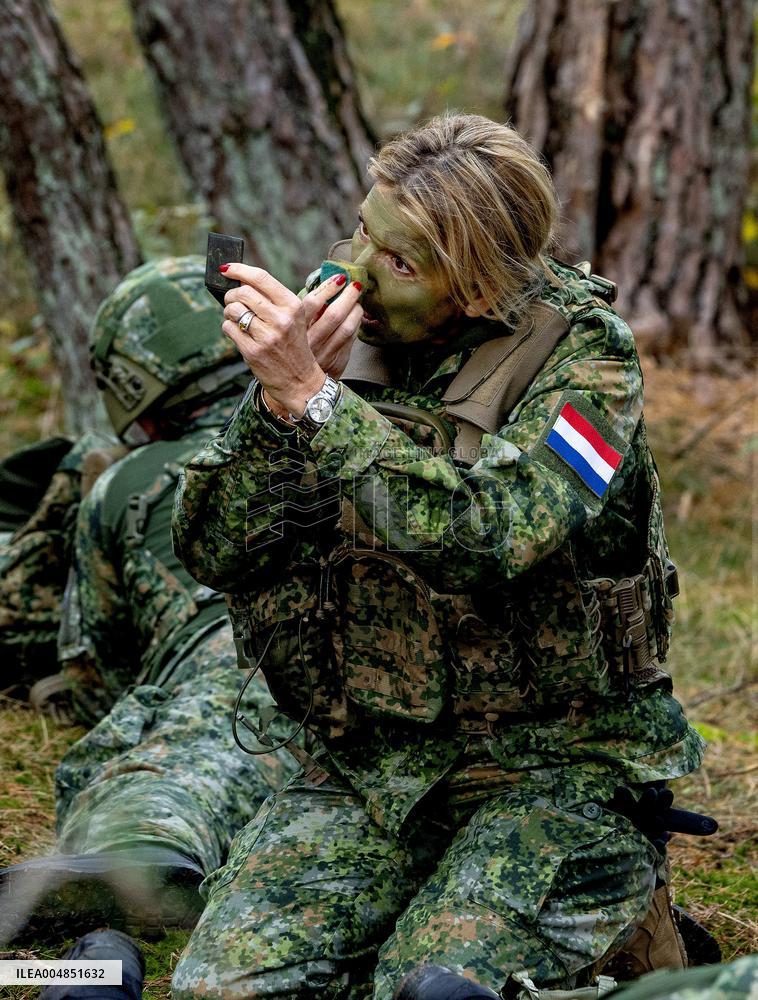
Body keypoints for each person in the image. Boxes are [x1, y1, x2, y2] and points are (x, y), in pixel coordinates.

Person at [170, 115, 706, 998]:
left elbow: (500, 531)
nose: (356, 270)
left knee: (431, 991)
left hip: (557, 767)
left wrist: (315, 404)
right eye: (364, 232)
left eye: (400, 262)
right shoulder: (346, 334)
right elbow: (213, 549)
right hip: (378, 762)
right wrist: (275, 411)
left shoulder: (586, 364)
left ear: (480, 283)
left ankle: (624, 942)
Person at [1, 256, 336, 941]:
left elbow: (98, 665)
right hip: (381, 657)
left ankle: (137, 857)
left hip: (230, 656)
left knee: (182, 756)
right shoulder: (342, 416)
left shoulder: (125, 480)